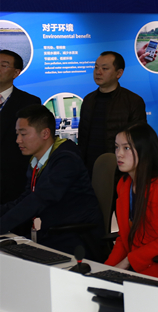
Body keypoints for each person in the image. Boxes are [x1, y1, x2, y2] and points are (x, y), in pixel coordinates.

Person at [0, 105, 102, 256]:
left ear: (45, 133)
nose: (18, 140)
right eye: (17, 134)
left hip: (76, 238)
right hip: (52, 233)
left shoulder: (66, 160)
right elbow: (26, 198)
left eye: (23, 134)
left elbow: (40, 198)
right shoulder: (37, 160)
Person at [105, 123, 158, 283]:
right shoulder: (124, 184)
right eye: (116, 147)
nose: (119, 154)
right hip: (135, 269)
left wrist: (128, 261)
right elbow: (124, 238)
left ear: (144, 150)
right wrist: (106, 269)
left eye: (126, 148)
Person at [79, 51, 146, 175]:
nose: (98, 72)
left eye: (104, 68)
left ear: (119, 73)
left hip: (119, 170)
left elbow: (138, 141)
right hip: (89, 169)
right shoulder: (88, 100)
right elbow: (82, 137)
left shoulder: (133, 101)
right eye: (96, 67)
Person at [0, 50, 41, 206]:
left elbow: (35, 144)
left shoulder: (29, 102)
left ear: (16, 73)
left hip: (14, 182)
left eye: (4, 65)